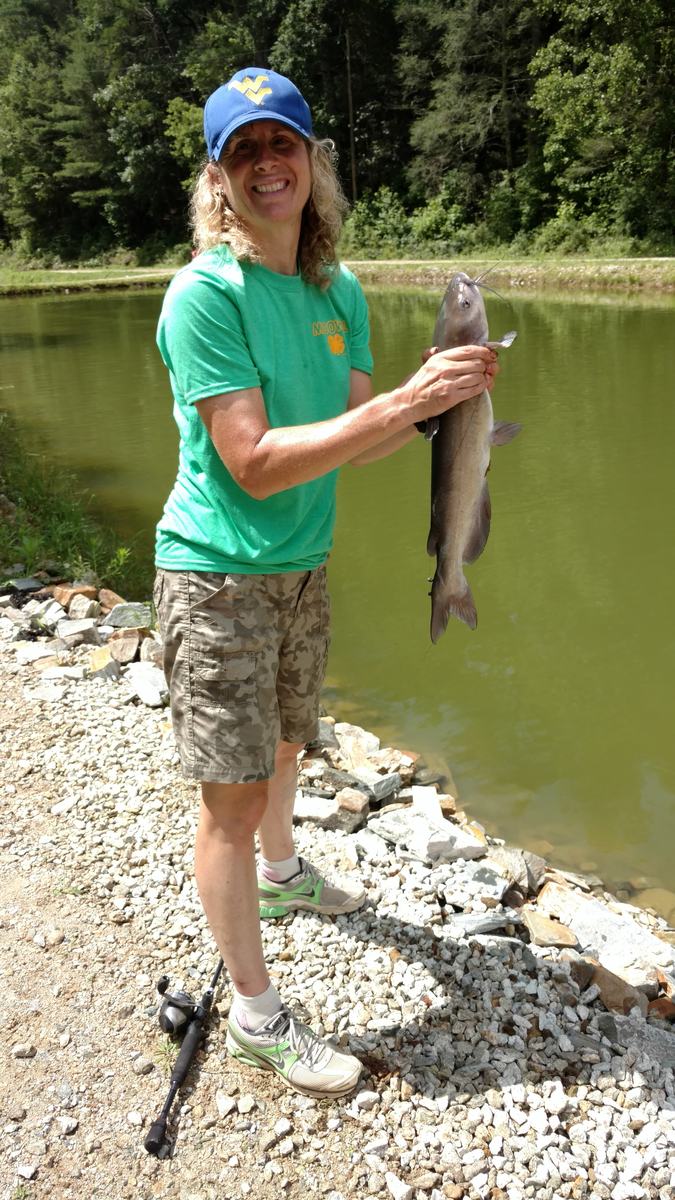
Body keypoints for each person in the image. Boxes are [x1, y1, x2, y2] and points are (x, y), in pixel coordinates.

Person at [153, 67, 498, 1099]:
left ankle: (283, 869)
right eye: (245, 149)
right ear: (220, 175)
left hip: (302, 567)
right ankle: (258, 1016)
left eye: (284, 144)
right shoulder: (205, 296)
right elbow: (255, 460)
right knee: (233, 793)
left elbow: (358, 441)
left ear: (313, 164)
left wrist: (439, 409)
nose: (269, 164)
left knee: (291, 735)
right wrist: (404, 404)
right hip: (217, 575)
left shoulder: (336, 290)